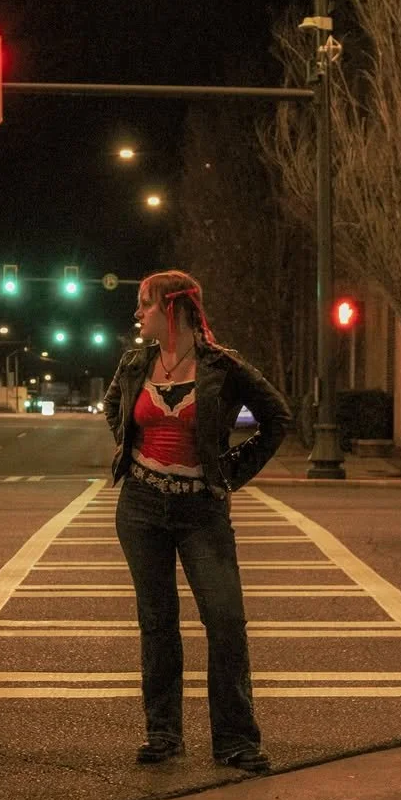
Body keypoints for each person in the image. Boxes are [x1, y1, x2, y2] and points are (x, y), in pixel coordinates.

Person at [103, 270, 291, 772]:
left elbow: (278, 418)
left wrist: (230, 471)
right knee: (158, 622)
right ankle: (163, 734)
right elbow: (113, 408)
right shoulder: (135, 362)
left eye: (145, 304)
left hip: (201, 509)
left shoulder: (222, 366)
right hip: (141, 509)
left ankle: (235, 740)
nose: (137, 314)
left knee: (225, 621)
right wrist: (132, 451)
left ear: (174, 309)